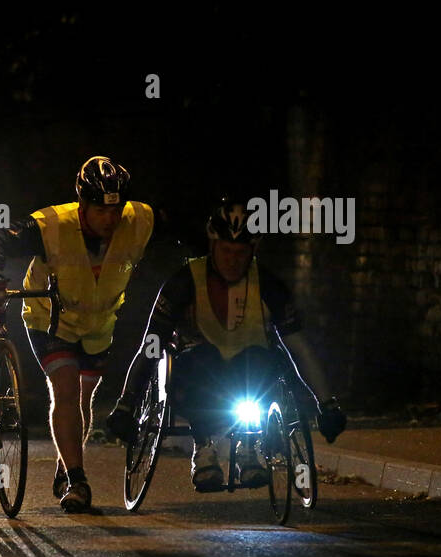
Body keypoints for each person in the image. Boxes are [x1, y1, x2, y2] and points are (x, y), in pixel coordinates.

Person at [106, 196, 346, 491]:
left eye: (240, 252)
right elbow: (152, 344)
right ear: (212, 246)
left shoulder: (269, 285)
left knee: (266, 358)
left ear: (253, 250)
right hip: (198, 372)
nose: (232, 260)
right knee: (197, 359)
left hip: (249, 371)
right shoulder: (184, 282)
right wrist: (126, 404)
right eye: (226, 250)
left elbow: (298, 347)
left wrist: (327, 404)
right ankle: (203, 447)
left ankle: (249, 444)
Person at [0, 156, 157, 512]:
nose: (110, 219)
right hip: (50, 318)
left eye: (116, 211)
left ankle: (65, 467)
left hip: (98, 322)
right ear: (83, 205)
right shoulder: (51, 224)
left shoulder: (139, 219)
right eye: (100, 212)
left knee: (84, 399)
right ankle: (78, 481)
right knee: (66, 388)